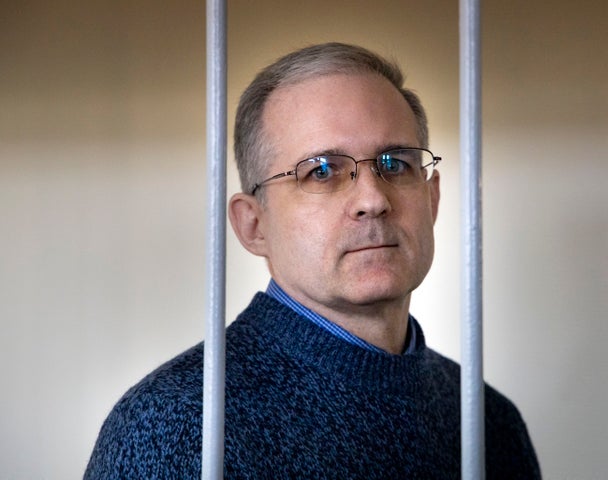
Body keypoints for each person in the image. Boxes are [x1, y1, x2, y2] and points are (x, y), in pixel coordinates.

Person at [85, 42, 541, 479]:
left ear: (433, 198)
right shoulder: (183, 423)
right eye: (321, 170)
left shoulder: (487, 420)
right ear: (253, 225)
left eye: (396, 163)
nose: (372, 199)